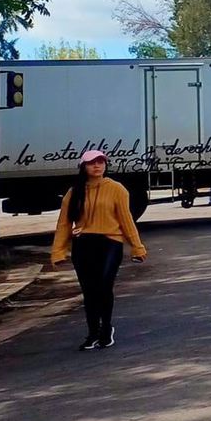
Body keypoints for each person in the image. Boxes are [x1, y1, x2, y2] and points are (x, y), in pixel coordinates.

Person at [50, 150, 146, 350]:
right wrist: (58, 251)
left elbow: (126, 220)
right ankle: (92, 332)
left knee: (104, 286)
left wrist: (137, 247)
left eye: (101, 162)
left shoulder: (117, 189)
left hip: (110, 242)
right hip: (84, 244)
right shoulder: (73, 192)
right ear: (83, 167)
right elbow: (64, 224)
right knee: (89, 291)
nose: (97, 166)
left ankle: (106, 329)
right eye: (92, 163)